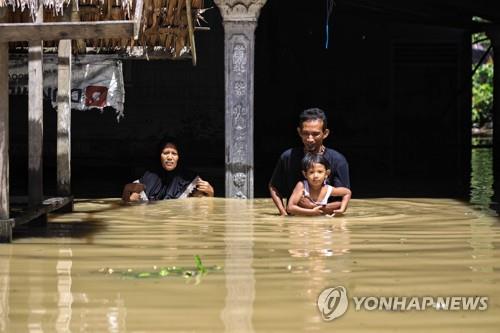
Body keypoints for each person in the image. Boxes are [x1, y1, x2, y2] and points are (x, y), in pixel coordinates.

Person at [269, 108, 350, 215]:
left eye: (315, 134)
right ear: (299, 132)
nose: (310, 139)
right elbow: (273, 186)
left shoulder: (338, 161)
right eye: (305, 133)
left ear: (325, 133)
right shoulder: (288, 157)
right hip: (295, 223)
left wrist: (312, 207)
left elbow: (342, 201)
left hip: (327, 223)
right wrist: (283, 214)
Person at [122, 136, 214, 202]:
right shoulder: (149, 178)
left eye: (174, 153)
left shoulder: (188, 180)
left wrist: (211, 193)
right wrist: (126, 190)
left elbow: (204, 208)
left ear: (179, 157)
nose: (169, 157)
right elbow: (129, 207)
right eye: (166, 153)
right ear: (159, 156)